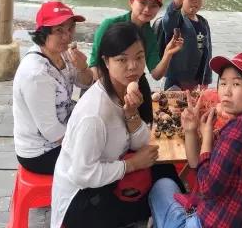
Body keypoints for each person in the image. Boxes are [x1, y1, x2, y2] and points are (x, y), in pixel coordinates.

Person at [148, 53, 242, 228]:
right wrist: (191, 130)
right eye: (223, 83)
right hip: (222, 216)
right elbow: (196, 163)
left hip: (209, 223)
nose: (227, 91)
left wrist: (207, 137)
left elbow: (207, 187)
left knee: (160, 187)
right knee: (166, 186)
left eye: (236, 84)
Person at [51, 22, 161, 228]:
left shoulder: (133, 87)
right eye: (122, 59)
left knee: (165, 175)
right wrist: (132, 165)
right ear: (106, 62)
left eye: (139, 57)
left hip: (109, 180)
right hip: (81, 200)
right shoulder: (94, 115)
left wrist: (131, 114)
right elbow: (81, 174)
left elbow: (141, 143)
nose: (133, 66)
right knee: (157, 198)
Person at [12, 1, 94, 175]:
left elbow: (86, 83)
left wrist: (83, 68)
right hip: (41, 153)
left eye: (70, 29)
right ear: (43, 33)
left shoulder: (63, 53)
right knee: (103, 154)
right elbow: (52, 132)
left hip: (66, 128)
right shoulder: (36, 75)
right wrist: (89, 144)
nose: (67, 36)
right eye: (59, 31)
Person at [89, 0, 182, 122]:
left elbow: (156, 74)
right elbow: (94, 65)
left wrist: (168, 53)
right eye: (143, 3)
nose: (147, 9)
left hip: (135, 80)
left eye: (153, 6)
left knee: (146, 119)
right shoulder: (109, 25)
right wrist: (112, 93)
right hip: (108, 81)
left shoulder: (149, 34)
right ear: (131, 2)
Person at [160, 0, 212, 90]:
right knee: (172, 100)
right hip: (175, 80)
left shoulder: (203, 23)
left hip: (195, 78)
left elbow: (207, 51)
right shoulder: (177, 21)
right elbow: (170, 13)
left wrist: (206, 79)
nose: (195, 1)